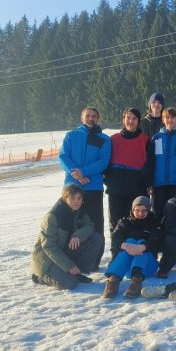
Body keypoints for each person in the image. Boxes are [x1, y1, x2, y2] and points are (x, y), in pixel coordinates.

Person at [58, 106, 111, 269]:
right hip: (72, 186)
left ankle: (94, 260)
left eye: (94, 116)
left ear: (98, 119)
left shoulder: (104, 139)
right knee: (70, 222)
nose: (91, 118)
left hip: (93, 187)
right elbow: (63, 157)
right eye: (88, 115)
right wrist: (76, 173)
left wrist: (84, 172)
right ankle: (68, 258)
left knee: (95, 222)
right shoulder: (71, 136)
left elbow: (103, 161)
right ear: (82, 118)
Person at [31, 185, 104, 290]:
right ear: (65, 198)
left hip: (64, 251)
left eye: (79, 198)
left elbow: (89, 227)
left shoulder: (80, 211)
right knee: (70, 284)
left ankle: (76, 273)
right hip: (47, 259)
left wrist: (77, 235)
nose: (77, 201)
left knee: (96, 238)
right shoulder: (52, 216)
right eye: (72, 198)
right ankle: (39, 277)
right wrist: (69, 266)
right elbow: (48, 246)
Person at [103, 196, 162, 299]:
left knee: (140, 241)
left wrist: (143, 247)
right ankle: (113, 280)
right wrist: (126, 246)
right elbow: (115, 238)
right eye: (137, 210)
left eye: (144, 210)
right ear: (132, 209)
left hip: (146, 267)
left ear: (148, 210)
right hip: (126, 268)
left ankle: (136, 281)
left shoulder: (153, 223)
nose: (140, 213)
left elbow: (158, 241)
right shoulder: (124, 222)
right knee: (130, 241)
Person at [104, 107, 151, 232]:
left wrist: (146, 183)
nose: (131, 121)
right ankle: (117, 245)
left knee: (135, 223)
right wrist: (108, 180)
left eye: (134, 118)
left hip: (136, 189)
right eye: (128, 118)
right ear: (123, 119)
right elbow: (106, 161)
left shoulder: (145, 140)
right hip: (116, 190)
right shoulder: (113, 139)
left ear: (138, 121)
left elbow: (150, 164)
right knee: (116, 224)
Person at [148, 107, 176, 223]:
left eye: (173, 117)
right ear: (163, 120)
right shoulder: (157, 138)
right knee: (158, 213)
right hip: (159, 183)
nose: (170, 120)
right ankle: (158, 233)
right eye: (167, 117)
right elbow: (152, 161)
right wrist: (150, 182)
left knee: (174, 213)